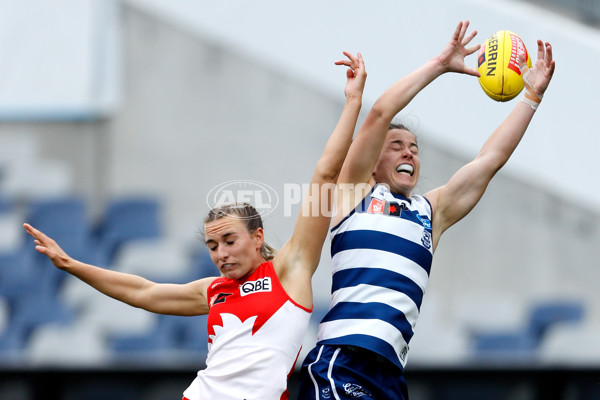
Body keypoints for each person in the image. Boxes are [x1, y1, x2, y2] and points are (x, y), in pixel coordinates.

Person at [23, 50, 367, 400]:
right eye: (213, 246)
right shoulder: (213, 290)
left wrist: (353, 101)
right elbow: (142, 292)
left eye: (230, 240)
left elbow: (325, 172)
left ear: (257, 236)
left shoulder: (290, 269)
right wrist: (70, 264)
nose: (221, 253)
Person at [297, 21, 555, 400]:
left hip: (391, 376)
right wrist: (440, 64)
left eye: (415, 148)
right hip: (344, 360)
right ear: (371, 162)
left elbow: (489, 160)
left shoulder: (430, 212)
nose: (408, 152)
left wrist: (531, 96)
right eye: (397, 145)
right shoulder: (353, 194)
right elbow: (380, 113)